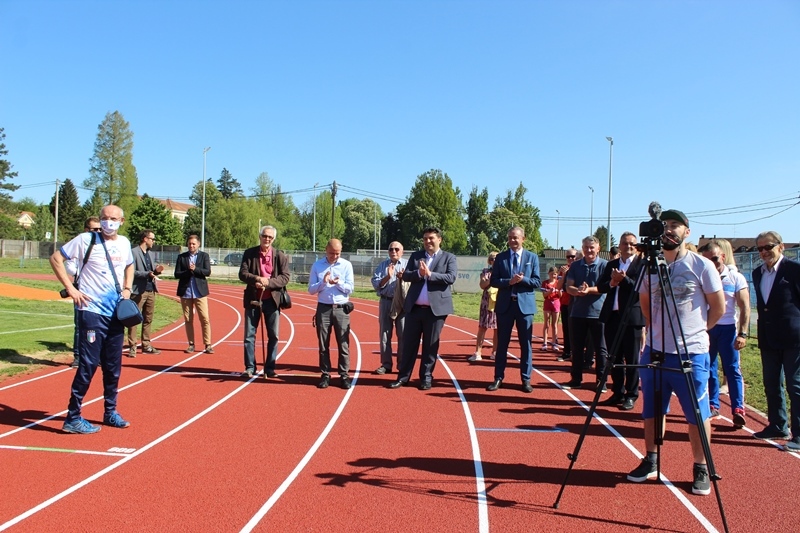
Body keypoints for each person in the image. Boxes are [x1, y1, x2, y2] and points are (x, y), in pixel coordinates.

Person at [626, 209, 724, 496]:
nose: (668, 230)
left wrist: (695, 333)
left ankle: (701, 467)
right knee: (652, 409)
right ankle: (651, 459)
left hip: (690, 353)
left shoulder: (701, 266)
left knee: (696, 413)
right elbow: (645, 304)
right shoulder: (650, 266)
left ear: (686, 232)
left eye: (675, 225)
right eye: (665, 225)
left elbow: (717, 308)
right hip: (655, 350)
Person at [49, 204, 134, 434]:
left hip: (116, 314)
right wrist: (71, 289)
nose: (109, 222)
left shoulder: (124, 243)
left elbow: (129, 264)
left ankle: (110, 412)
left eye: (113, 218)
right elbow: (56, 258)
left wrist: (127, 289)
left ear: (122, 221)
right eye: (105, 218)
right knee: (88, 365)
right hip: (92, 312)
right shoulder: (85, 240)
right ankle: (73, 417)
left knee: (113, 368)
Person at [389, 227, 457, 391]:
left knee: (430, 346)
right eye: (425, 238)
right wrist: (419, 274)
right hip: (414, 309)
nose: (428, 241)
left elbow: (451, 277)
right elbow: (406, 275)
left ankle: (426, 377)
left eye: (431, 238)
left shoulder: (449, 257)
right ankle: (403, 377)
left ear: (439, 239)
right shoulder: (416, 256)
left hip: (435, 311)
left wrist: (429, 274)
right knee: (409, 345)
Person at [751, 231, 800, 451]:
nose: (764, 252)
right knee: (771, 383)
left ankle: (799, 434)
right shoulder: (757, 273)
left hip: (793, 337)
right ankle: (778, 425)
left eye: (768, 247)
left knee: (795, 385)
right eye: (760, 248)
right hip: (768, 337)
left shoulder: (794, 270)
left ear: (781, 246)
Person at [698, 240, 749, 427]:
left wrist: (742, 333)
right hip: (708, 328)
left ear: (723, 257)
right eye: (708, 261)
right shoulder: (702, 277)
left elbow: (745, 307)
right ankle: (713, 405)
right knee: (709, 367)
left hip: (728, 329)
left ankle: (738, 409)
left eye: (715, 259)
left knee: (732, 368)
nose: (712, 264)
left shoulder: (736, 278)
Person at [486, 226, 541, 393]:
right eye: (510, 237)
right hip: (505, 306)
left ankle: (526, 379)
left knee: (526, 345)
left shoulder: (532, 257)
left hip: (525, 307)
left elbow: (537, 282)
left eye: (515, 237)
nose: (512, 240)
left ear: (523, 239)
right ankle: (498, 377)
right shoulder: (501, 257)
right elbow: (494, 281)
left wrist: (522, 280)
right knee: (502, 344)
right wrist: (509, 282)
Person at [597, 231, 644, 411]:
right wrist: (611, 283)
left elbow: (640, 289)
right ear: (620, 246)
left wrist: (623, 280)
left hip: (632, 318)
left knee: (632, 358)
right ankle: (617, 391)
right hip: (612, 316)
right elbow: (601, 286)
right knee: (614, 357)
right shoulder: (612, 264)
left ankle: (631, 394)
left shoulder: (641, 264)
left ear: (636, 246)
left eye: (632, 243)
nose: (628, 246)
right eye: (625, 243)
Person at [240, 225, 290, 379]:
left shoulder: (280, 256)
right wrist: (256, 279)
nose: (267, 239)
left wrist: (268, 282)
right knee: (249, 335)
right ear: (260, 236)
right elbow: (242, 273)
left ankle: (269, 368)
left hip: (272, 300)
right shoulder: (249, 253)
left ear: (273, 239)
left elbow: (285, 277)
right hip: (253, 299)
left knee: (273, 335)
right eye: (264, 236)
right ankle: (250, 367)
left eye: (270, 237)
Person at [562, 236, 608, 390]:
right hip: (578, 313)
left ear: (598, 248)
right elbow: (568, 287)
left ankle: (601, 381)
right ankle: (575, 379)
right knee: (577, 348)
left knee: (601, 349)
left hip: (598, 313)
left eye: (592, 247)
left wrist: (589, 290)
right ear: (582, 248)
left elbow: (605, 288)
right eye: (586, 247)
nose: (589, 250)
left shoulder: (605, 265)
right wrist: (578, 291)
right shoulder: (575, 265)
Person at [309, 239, 354, 389]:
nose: (334, 256)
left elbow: (350, 288)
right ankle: (325, 374)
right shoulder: (317, 265)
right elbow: (311, 290)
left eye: (337, 253)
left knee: (343, 344)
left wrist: (338, 283)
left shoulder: (346, 265)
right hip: (324, 308)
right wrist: (323, 282)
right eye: (331, 253)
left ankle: (344, 375)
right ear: (325, 250)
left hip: (341, 308)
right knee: (323, 343)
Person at [67, 216, 101, 368]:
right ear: (86, 230)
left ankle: (94, 355)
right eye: (95, 229)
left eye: (100, 229)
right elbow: (69, 266)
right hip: (82, 291)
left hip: (99, 292)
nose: (98, 232)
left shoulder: (103, 246)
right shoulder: (78, 244)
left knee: (95, 326)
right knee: (81, 326)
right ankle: (78, 356)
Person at [371, 242, 408, 374]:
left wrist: (403, 278)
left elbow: (415, 282)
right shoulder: (382, 265)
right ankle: (386, 364)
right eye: (391, 249)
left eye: (397, 249)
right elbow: (375, 284)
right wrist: (388, 276)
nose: (393, 251)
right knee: (385, 334)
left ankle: (402, 365)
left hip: (402, 303)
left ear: (402, 251)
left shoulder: (408, 265)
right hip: (386, 301)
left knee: (403, 334)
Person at [127, 229, 163, 356]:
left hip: (151, 289)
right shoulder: (133, 252)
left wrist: (157, 271)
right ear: (145, 239)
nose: (154, 241)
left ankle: (146, 344)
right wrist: (147, 274)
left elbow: (151, 271)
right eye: (152, 239)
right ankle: (132, 346)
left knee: (148, 318)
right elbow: (131, 271)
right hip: (138, 290)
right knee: (134, 318)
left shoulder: (151, 254)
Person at [174, 234, 213, 354]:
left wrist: (195, 269)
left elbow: (207, 272)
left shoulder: (204, 256)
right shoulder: (182, 257)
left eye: (193, 244)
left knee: (204, 318)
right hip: (186, 292)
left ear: (198, 244)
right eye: (189, 244)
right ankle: (191, 344)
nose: (191, 246)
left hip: (199, 292)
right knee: (188, 319)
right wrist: (188, 271)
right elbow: (177, 274)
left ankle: (208, 344)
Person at [470, 252, 499, 362]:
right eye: (492, 259)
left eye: (496, 258)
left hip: (498, 301)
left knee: (498, 328)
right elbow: (482, 285)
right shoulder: (486, 272)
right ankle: (478, 352)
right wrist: (492, 279)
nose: (494, 260)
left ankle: (495, 352)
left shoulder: (503, 271)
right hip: (486, 301)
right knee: (482, 327)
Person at [555, 248, 578, 362]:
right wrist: (564, 275)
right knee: (566, 328)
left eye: (573, 256)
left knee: (576, 330)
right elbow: (558, 286)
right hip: (565, 303)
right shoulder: (563, 269)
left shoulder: (579, 267)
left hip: (577, 303)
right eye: (568, 257)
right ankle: (567, 352)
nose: (571, 259)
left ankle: (577, 353)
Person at [541, 267, 562, 352]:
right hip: (548, 303)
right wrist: (550, 291)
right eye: (552, 274)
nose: (553, 275)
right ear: (548, 273)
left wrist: (558, 291)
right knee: (546, 323)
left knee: (554, 324)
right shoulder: (545, 283)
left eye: (555, 274)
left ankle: (554, 343)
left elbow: (560, 295)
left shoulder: (558, 283)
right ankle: (545, 343)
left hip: (556, 303)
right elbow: (544, 295)